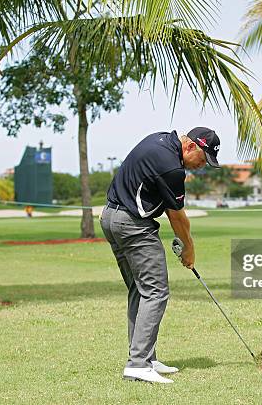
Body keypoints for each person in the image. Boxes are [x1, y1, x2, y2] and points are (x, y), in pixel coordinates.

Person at [100, 127, 221, 384]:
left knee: (140, 290)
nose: (201, 167)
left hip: (110, 217)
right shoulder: (172, 167)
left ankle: (146, 357)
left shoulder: (160, 139)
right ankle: (138, 364)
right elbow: (176, 216)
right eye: (202, 160)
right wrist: (189, 249)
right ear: (190, 147)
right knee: (156, 291)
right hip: (132, 224)